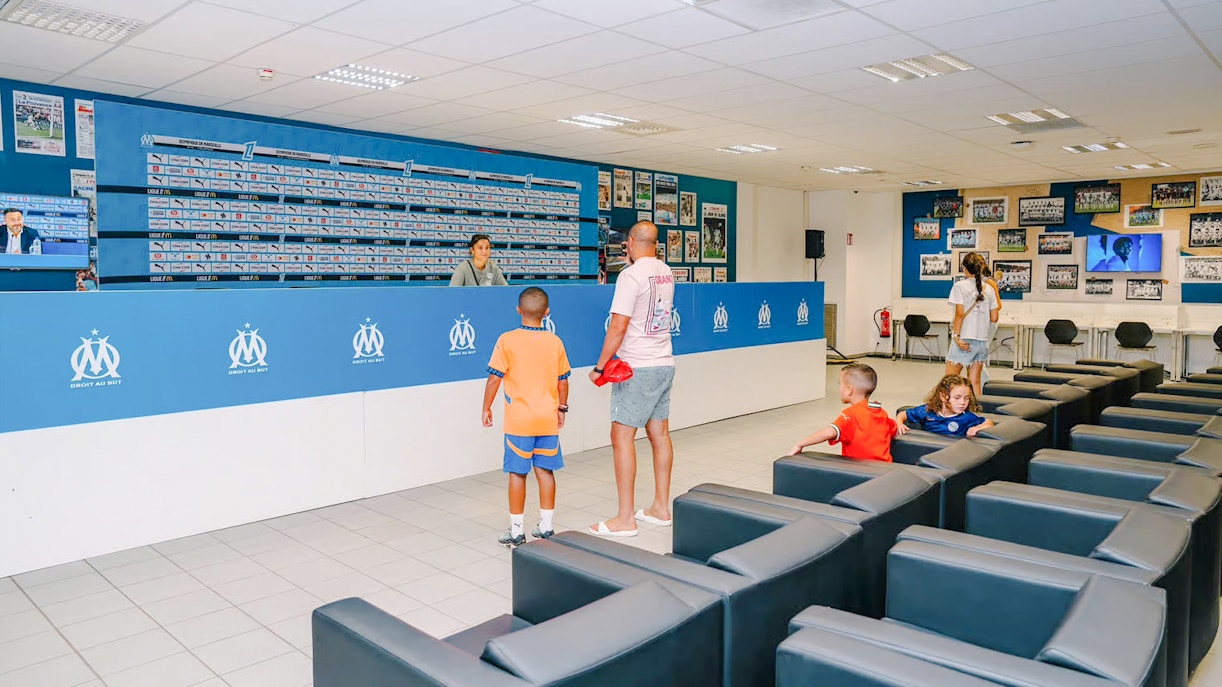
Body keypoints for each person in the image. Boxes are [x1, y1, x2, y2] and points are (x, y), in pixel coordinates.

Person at [588, 220, 675, 537]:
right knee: (659, 433)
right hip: (664, 362)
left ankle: (625, 518)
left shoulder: (630, 276)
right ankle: (661, 508)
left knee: (621, 437)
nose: (624, 247)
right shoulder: (665, 272)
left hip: (637, 366)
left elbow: (618, 326)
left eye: (626, 244)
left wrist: (600, 366)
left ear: (634, 242)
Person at [482, 287, 571, 547]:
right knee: (545, 471)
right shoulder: (555, 342)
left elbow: (493, 379)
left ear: (519, 310)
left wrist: (486, 407)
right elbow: (563, 381)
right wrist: (562, 408)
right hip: (547, 420)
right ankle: (546, 526)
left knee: (517, 474)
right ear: (547, 312)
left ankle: (517, 531)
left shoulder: (507, 340)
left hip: (519, 422)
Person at [788, 363, 897, 461]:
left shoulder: (850, 415)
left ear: (849, 390)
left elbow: (830, 432)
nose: (839, 388)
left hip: (860, 473)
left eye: (840, 384)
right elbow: (894, 429)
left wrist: (800, 444)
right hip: (885, 471)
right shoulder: (881, 413)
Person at [946, 252, 999, 397]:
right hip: (982, 341)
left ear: (964, 268)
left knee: (949, 381)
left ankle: (946, 412)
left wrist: (956, 337)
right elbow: (994, 317)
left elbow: (959, 314)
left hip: (964, 339)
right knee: (975, 381)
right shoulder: (989, 289)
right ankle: (977, 413)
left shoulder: (959, 286)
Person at [896, 374, 995, 438]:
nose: (963, 403)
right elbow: (903, 414)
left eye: (967, 398)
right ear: (943, 396)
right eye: (957, 398)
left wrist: (978, 427)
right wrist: (899, 423)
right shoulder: (928, 411)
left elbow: (989, 422)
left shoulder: (966, 417)